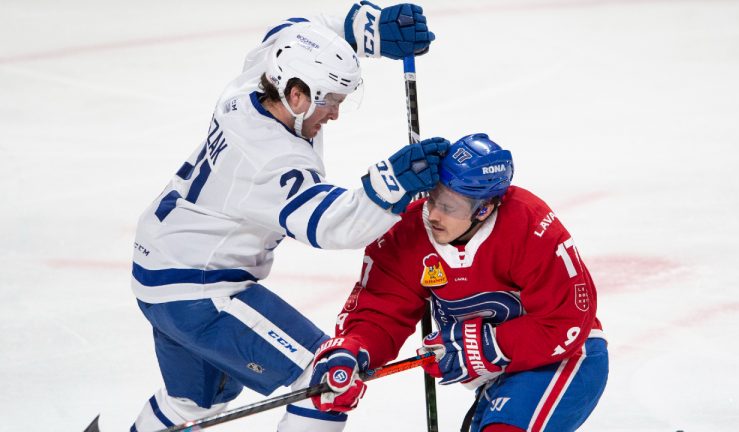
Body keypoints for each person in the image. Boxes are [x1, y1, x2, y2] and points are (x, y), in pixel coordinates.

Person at [129, 3, 446, 431]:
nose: (333, 113)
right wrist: (393, 182)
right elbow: (330, 224)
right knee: (329, 381)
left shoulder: (260, 77)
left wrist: (366, 28)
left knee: (193, 404)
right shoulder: (269, 159)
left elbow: (301, 27)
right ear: (296, 94)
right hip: (198, 290)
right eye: (329, 101)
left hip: (159, 269)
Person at [310, 133, 609, 431]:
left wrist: (488, 345)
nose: (435, 215)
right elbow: (380, 312)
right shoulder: (408, 233)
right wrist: (353, 350)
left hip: (567, 358)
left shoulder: (529, 225)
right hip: (503, 374)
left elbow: (566, 318)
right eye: (434, 198)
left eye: (450, 207)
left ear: (484, 209)